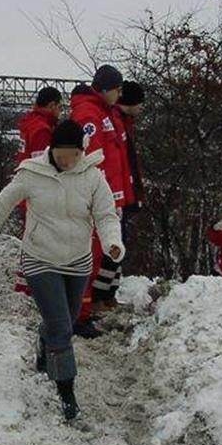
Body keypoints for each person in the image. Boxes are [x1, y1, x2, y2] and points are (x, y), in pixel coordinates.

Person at [0, 120, 124, 421]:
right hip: (41, 259)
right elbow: (1, 207)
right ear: (52, 150)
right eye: (63, 154)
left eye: (74, 155)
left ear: (82, 151)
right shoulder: (32, 174)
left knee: (61, 320)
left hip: (78, 262)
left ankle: (45, 338)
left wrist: (113, 244)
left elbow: (106, 216)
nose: (68, 161)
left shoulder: (93, 177)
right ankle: (66, 392)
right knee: (63, 329)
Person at [69, 64, 126, 336]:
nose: (119, 94)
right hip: (92, 200)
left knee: (94, 257)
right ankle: (78, 316)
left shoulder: (104, 113)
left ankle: (83, 312)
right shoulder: (89, 115)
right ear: (106, 89)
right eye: (117, 89)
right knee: (86, 259)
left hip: (103, 198)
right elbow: (91, 160)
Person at [98, 80, 147, 308]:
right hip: (115, 196)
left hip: (123, 194)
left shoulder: (122, 122)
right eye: (140, 103)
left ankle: (109, 293)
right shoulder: (115, 122)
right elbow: (119, 164)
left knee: (119, 246)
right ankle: (101, 295)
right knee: (113, 246)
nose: (142, 108)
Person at [13, 86, 63, 295]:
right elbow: (42, 166)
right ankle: (29, 284)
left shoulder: (29, 123)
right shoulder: (42, 129)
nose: (61, 112)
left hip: (25, 188)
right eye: (59, 107)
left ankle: (26, 282)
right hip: (36, 193)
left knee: (32, 235)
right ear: (51, 105)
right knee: (37, 238)